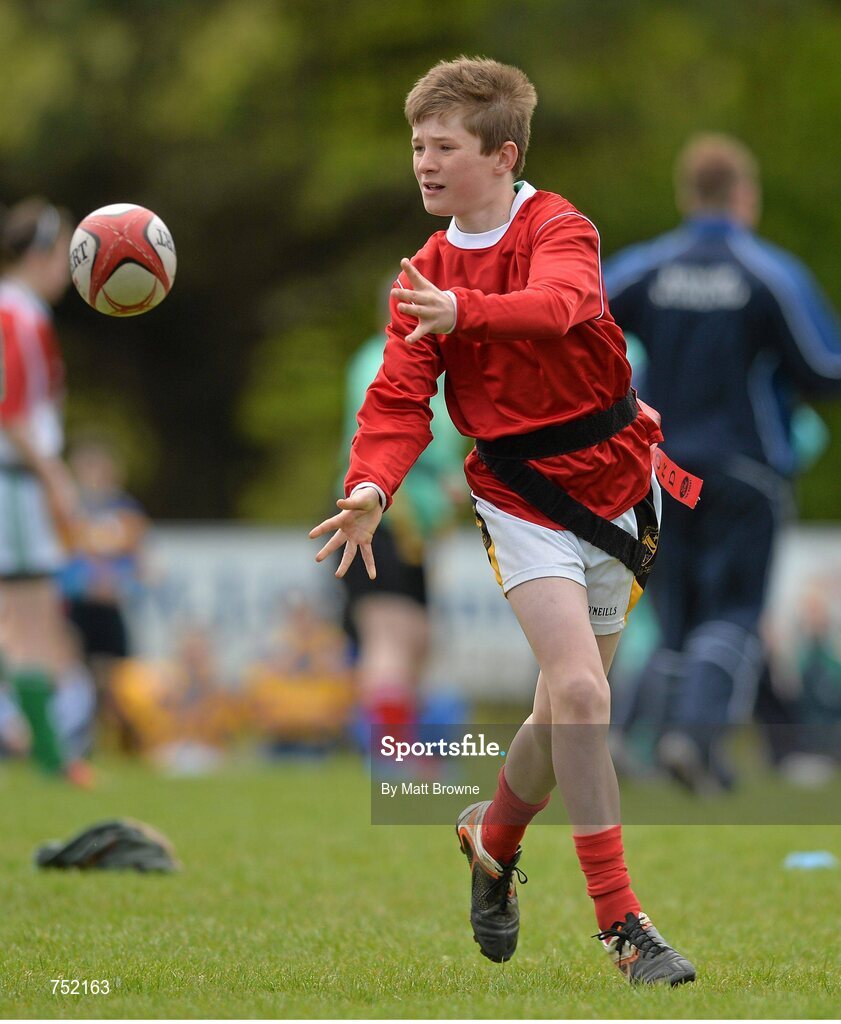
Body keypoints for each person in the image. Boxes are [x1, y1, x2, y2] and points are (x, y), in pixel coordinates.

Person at [310, 57, 695, 985]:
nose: (424, 164)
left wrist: (463, 312)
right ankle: (623, 927)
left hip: (616, 485)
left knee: (555, 715)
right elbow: (399, 402)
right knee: (584, 697)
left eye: (443, 147)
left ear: (501, 154)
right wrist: (372, 487)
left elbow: (564, 308)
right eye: (416, 147)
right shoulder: (425, 273)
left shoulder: (560, 224)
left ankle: (492, 835)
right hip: (520, 498)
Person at [603, 134, 841, 792]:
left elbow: (576, 321)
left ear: (687, 195)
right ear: (743, 196)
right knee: (735, 611)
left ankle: (656, 743)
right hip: (745, 468)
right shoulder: (768, 272)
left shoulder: (645, 268)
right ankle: (691, 735)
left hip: (663, 469)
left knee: (676, 618)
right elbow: (821, 369)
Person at [338, 281, 467, 737]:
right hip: (379, 518)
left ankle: (397, 744)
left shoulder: (430, 366)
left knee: (415, 638)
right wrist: (446, 473)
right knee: (388, 635)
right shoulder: (380, 357)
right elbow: (384, 430)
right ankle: (386, 750)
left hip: (411, 529)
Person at [0, 197, 92, 784]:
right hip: (15, 480)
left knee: (31, 619)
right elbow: (11, 409)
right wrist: (56, 478)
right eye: (65, 254)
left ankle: (51, 752)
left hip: (18, 479)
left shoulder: (19, 310)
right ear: (42, 252)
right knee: (26, 620)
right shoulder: (19, 312)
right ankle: (53, 757)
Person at [60, 432, 148, 740]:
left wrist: (121, 585)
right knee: (74, 671)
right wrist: (82, 584)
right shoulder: (66, 512)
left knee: (115, 677)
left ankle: (117, 738)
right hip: (77, 606)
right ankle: (79, 734)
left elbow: (140, 565)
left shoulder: (127, 513)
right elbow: (58, 561)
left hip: (111, 607)